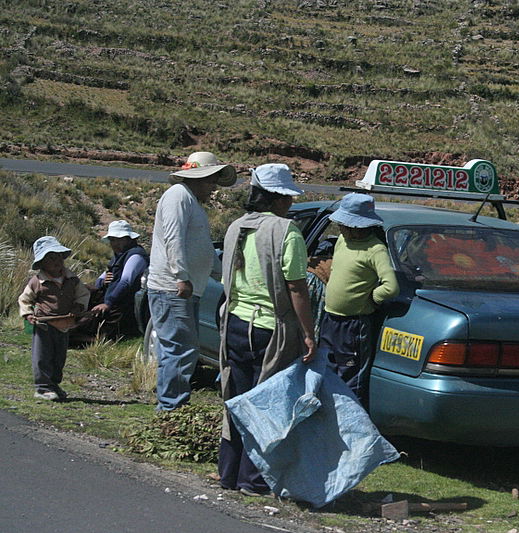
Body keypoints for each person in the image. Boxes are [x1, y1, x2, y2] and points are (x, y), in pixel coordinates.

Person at [217, 163, 316, 496]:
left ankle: (228, 473)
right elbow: (297, 288)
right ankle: (254, 480)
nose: (290, 202)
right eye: (286, 196)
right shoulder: (287, 231)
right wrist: (308, 333)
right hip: (269, 329)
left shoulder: (236, 227)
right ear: (275, 198)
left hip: (234, 321)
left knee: (236, 397)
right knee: (266, 403)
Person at [147, 151, 237, 411]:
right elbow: (173, 238)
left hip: (184, 288)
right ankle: (171, 407)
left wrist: (223, 274)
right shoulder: (178, 196)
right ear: (201, 177)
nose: (213, 188)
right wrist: (181, 277)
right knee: (180, 348)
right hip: (173, 288)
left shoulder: (190, 201)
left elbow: (203, 249)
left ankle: (171, 404)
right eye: (211, 181)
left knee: (179, 348)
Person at [319, 192, 399, 406]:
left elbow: (390, 287)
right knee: (327, 369)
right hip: (330, 319)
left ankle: (351, 426)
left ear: (358, 226)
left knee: (350, 378)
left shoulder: (375, 250)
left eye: (344, 225)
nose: (341, 229)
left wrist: (372, 298)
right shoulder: (342, 242)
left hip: (354, 326)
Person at [18, 236, 90, 401]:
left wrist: (78, 307)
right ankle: (42, 388)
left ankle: (54, 385)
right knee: (43, 356)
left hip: (64, 324)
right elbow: (25, 299)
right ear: (42, 263)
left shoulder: (72, 280)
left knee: (59, 357)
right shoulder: (37, 282)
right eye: (50, 258)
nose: (56, 261)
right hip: (44, 324)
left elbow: (83, 295)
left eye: (58, 256)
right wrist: (28, 314)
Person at [80, 220, 149, 339]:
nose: (114, 243)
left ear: (128, 239)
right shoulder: (118, 256)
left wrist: (108, 303)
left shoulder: (135, 256)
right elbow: (99, 281)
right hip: (111, 302)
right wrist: (104, 281)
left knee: (87, 330)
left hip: (122, 307)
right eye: (112, 240)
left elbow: (126, 282)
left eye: (119, 239)